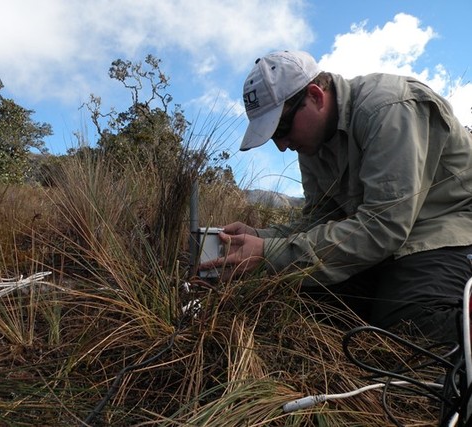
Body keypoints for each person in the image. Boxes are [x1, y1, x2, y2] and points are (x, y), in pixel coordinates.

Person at [202, 50, 472, 343]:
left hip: (449, 229)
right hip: (393, 242)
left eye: (281, 128)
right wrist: (260, 238)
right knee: (301, 296)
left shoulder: (388, 110)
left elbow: (383, 228)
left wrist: (268, 254)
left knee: (407, 323)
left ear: (316, 96)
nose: (282, 146)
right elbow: (320, 218)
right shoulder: (311, 145)